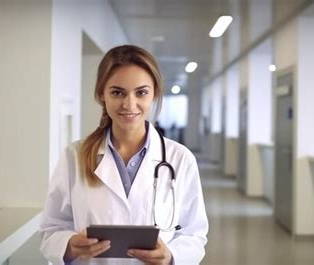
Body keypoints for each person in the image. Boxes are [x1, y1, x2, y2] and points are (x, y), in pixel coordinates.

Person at [40, 45, 208, 265]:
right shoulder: (74, 157)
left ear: (154, 93)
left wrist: (172, 256)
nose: (129, 104)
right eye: (117, 92)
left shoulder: (180, 159)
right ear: (102, 94)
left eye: (141, 92)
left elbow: (194, 235)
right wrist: (70, 246)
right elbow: (50, 230)